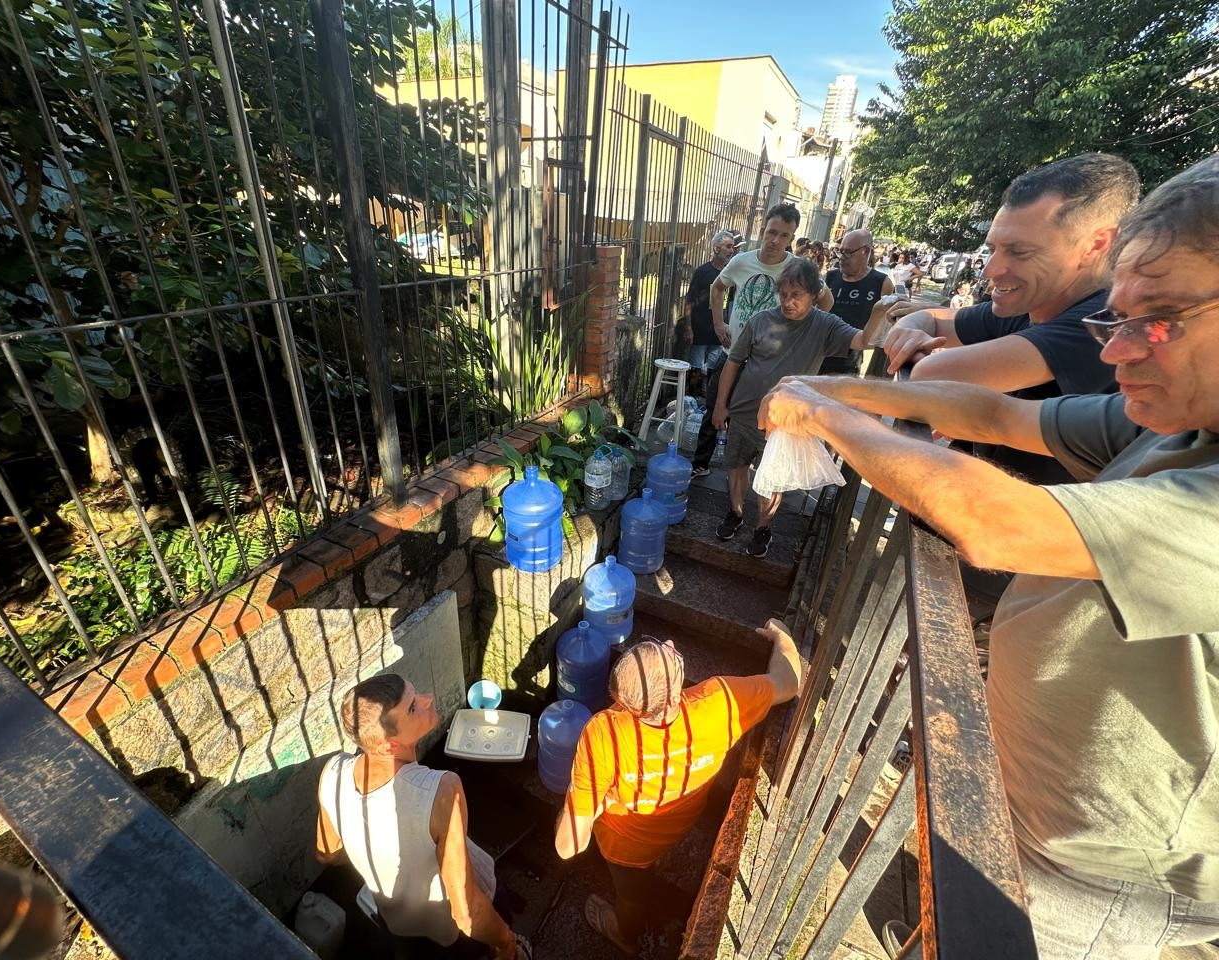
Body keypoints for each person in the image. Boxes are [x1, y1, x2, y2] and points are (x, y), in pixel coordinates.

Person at [758, 153, 1219, 960]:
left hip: (1107, 870)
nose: (1115, 353)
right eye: (1117, 320)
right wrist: (830, 394)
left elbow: (995, 520)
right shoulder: (1181, 423)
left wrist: (828, 420)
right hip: (1046, 805)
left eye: (1161, 319)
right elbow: (992, 412)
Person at [883, 153, 1140, 486]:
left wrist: (917, 351)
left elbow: (931, 376)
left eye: (1019, 252)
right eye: (993, 248)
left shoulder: (1100, 324)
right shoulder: (1031, 304)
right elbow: (928, 316)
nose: (990, 270)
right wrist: (911, 331)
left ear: (1095, 245)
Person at [555, 621, 804, 954]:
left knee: (630, 895)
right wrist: (783, 637)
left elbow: (568, 845)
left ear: (622, 702)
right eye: (665, 650)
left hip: (626, 848)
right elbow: (790, 681)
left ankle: (623, 934)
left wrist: (582, 800)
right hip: (679, 823)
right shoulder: (719, 703)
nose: (671, 642)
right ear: (674, 696)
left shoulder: (603, 734)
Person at [316, 675, 526, 959]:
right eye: (413, 707)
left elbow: (328, 853)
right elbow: (466, 912)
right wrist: (505, 941)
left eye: (416, 693)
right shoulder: (442, 789)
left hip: (399, 922)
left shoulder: (332, 774)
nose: (428, 698)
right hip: (456, 928)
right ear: (388, 747)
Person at [711, 258, 886, 558]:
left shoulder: (825, 325)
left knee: (773, 479)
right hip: (743, 412)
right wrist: (720, 405)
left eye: (797, 295)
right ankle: (736, 513)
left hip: (785, 424)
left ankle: (762, 527)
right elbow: (733, 361)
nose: (788, 302)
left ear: (814, 295)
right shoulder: (761, 320)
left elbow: (863, 340)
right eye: (784, 295)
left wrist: (878, 313)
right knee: (736, 467)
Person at [689, 206, 833, 479]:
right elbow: (718, 287)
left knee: (760, 420)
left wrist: (806, 333)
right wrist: (719, 323)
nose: (775, 240)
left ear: (791, 238)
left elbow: (825, 301)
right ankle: (701, 463)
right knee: (715, 408)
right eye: (771, 232)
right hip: (732, 352)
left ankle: (757, 473)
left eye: (783, 235)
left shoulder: (797, 268)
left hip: (769, 361)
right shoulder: (741, 261)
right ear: (762, 230)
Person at [817, 228, 896, 376]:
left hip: (852, 362)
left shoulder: (882, 283)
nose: (841, 257)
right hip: (820, 354)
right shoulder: (830, 277)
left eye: (848, 252)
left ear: (866, 252)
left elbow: (884, 331)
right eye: (840, 251)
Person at [685, 231, 736, 374]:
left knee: (712, 369)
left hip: (719, 332)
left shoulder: (731, 273)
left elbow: (731, 303)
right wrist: (689, 328)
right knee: (696, 368)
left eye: (732, 247)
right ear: (716, 249)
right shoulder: (702, 272)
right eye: (728, 246)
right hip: (701, 330)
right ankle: (693, 396)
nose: (731, 251)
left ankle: (704, 395)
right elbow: (689, 300)